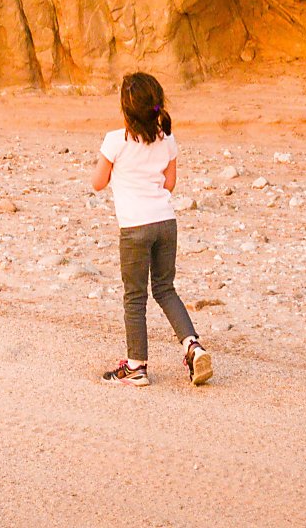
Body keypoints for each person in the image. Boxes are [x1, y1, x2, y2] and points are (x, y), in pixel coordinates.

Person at [90, 72, 212, 387]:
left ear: (125, 109)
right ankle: (192, 346)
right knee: (165, 289)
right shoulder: (167, 139)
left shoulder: (115, 140)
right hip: (166, 223)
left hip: (134, 227)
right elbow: (169, 184)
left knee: (134, 296)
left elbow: (97, 183)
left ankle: (136, 366)